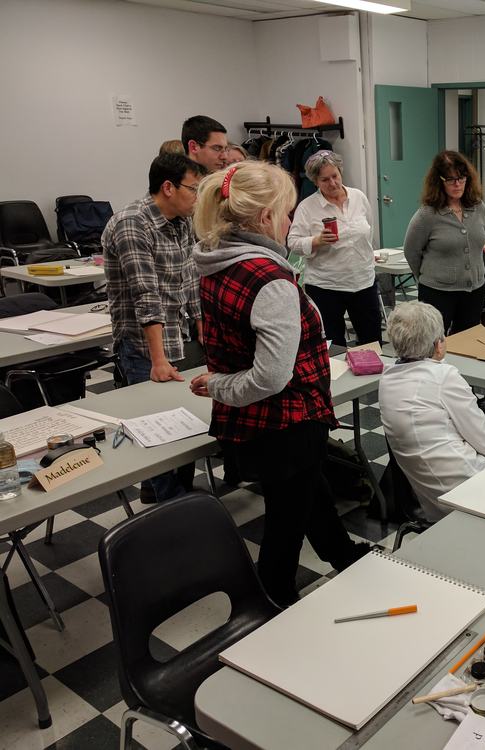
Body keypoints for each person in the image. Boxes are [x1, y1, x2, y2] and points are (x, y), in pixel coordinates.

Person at [189, 161, 369, 607]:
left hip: (266, 420)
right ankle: (274, 603)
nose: (291, 222)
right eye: (287, 213)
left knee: (311, 492)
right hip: (285, 420)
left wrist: (220, 383)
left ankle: (345, 557)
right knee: (286, 523)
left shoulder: (217, 261)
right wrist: (217, 386)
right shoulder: (269, 280)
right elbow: (271, 377)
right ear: (266, 217)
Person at [101, 153, 206, 502]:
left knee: (183, 420)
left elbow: (189, 277)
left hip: (178, 334)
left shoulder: (181, 221)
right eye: (193, 188)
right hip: (144, 345)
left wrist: (201, 324)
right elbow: (146, 294)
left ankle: (167, 491)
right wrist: (158, 359)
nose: (197, 196)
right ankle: (173, 506)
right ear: (168, 187)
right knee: (157, 430)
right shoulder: (133, 223)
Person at [379, 301, 485, 521]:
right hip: (469, 490)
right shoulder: (443, 377)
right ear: (438, 344)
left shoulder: (387, 377)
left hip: (428, 499)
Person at [287, 150, 380, 346]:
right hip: (326, 286)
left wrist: (368, 256)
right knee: (332, 345)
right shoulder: (307, 207)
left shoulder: (359, 197)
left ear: (341, 172)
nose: (332, 183)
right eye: (324, 180)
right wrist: (316, 240)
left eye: (335, 176)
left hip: (363, 281)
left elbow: (368, 231)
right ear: (315, 182)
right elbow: (292, 243)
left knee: (371, 341)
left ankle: (372, 376)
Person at [403, 150, 485, 334]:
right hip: (437, 291)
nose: (457, 184)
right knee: (433, 344)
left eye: (461, 178)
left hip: (474, 290)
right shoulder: (427, 215)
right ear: (439, 182)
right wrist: (428, 277)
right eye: (450, 179)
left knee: (468, 343)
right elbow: (411, 251)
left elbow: (478, 242)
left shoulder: (478, 207)